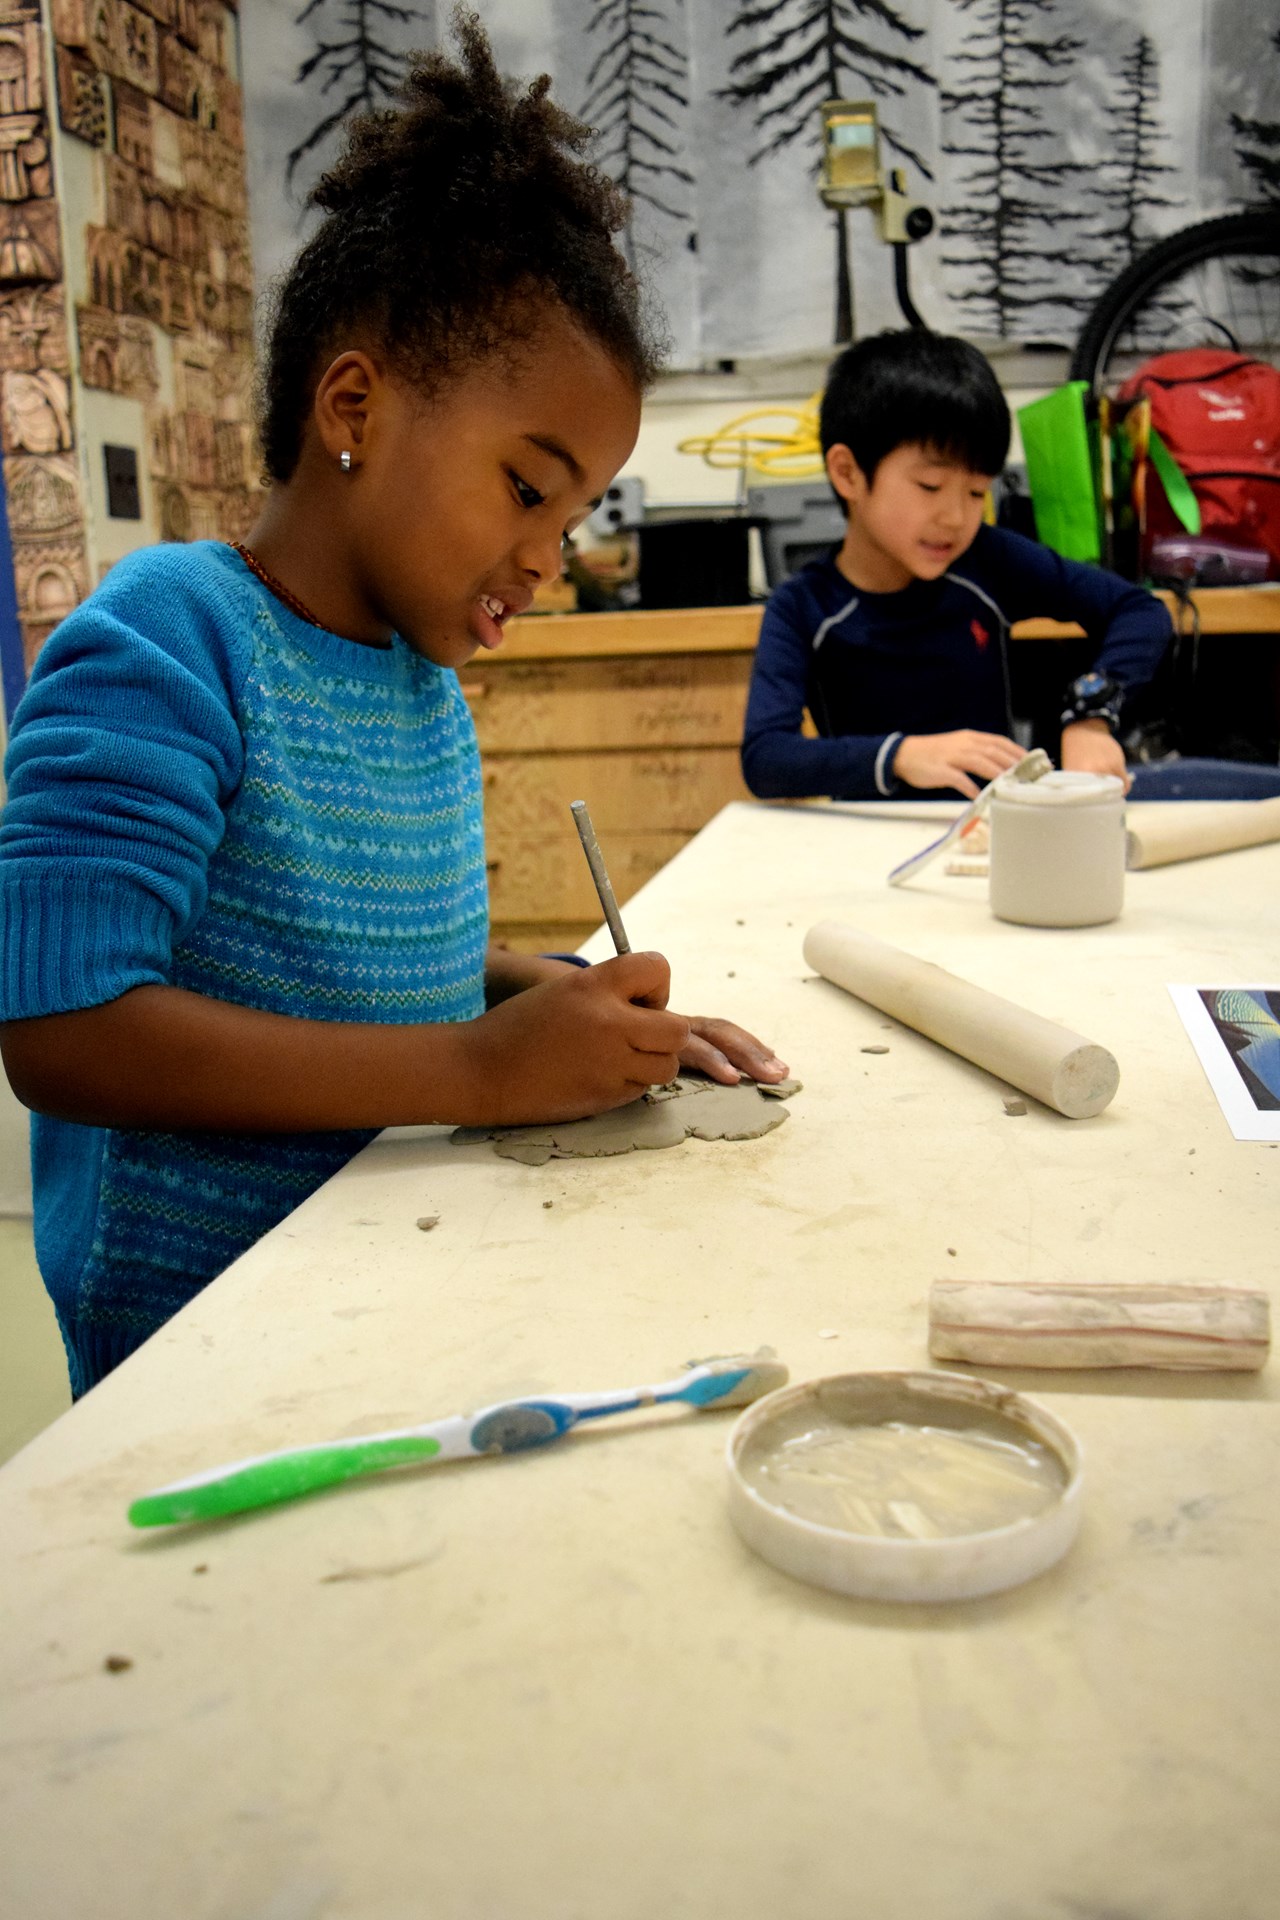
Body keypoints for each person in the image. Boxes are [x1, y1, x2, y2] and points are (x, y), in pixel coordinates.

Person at [0, 14, 787, 1397]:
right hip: (204, 1343)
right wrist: (482, 1072)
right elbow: (65, 1030)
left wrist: (551, 1001)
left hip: (390, 1275)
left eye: (573, 517)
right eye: (527, 488)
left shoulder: (418, 683)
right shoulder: (171, 633)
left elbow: (352, 957)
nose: (547, 558)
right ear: (353, 406)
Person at [741, 329, 1172, 802]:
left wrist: (1091, 716)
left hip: (992, 828)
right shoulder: (803, 605)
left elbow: (1139, 609)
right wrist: (901, 756)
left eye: (975, 493)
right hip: (874, 836)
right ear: (848, 473)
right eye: (929, 486)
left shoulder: (987, 559)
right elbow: (766, 757)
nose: (955, 518)